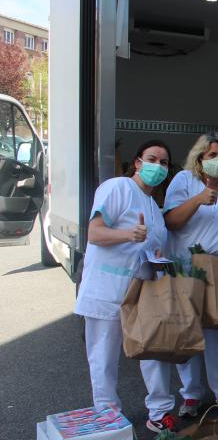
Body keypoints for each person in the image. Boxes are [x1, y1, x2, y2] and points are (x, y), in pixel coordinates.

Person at [139, 132, 218, 431]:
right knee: (186, 332)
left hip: (215, 267)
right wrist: (198, 199)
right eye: (211, 156)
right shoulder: (184, 180)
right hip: (183, 267)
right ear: (199, 159)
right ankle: (191, 394)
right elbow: (171, 221)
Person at [74, 140, 171, 413]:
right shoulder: (118, 187)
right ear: (138, 162)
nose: (158, 166)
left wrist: (158, 257)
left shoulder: (153, 206)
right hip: (108, 288)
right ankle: (108, 415)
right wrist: (128, 234)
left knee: (153, 351)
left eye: (164, 163)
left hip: (142, 291)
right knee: (104, 356)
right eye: (152, 159)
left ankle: (160, 411)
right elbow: (94, 233)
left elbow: (147, 248)